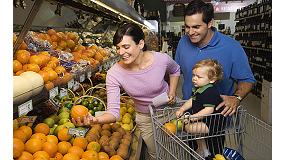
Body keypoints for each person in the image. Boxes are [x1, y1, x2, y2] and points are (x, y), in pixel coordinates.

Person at [72, 22, 180, 160]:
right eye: (118, 48)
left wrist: (172, 91)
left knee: (173, 150)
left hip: (168, 110)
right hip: (145, 118)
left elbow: (175, 70)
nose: (120, 53)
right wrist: (95, 119)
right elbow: (114, 113)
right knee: (156, 154)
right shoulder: (114, 74)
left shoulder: (161, 59)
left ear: (140, 44)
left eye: (126, 47)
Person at [175, 0, 256, 117]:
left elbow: (247, 79)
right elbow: (175, 71)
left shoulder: (231, 47)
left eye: (196, 27)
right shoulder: (183, 42)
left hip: (215, 119)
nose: (190, 32)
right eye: (187, 27)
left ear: (209, 23)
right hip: (187, 111)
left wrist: (236, 97)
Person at [176, 59, 225, 158]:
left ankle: (203, 149)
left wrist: (192, 117)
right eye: (193, 75)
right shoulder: (199, 88)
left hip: (213, 123)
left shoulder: (210, 92)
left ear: (212, 80)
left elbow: (209, 110)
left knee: (189, 127)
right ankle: (203, 148)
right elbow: (191, 100)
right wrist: (182, 109)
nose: (194, 79)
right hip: (205, 120)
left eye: (199, 77)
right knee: (192, 127)